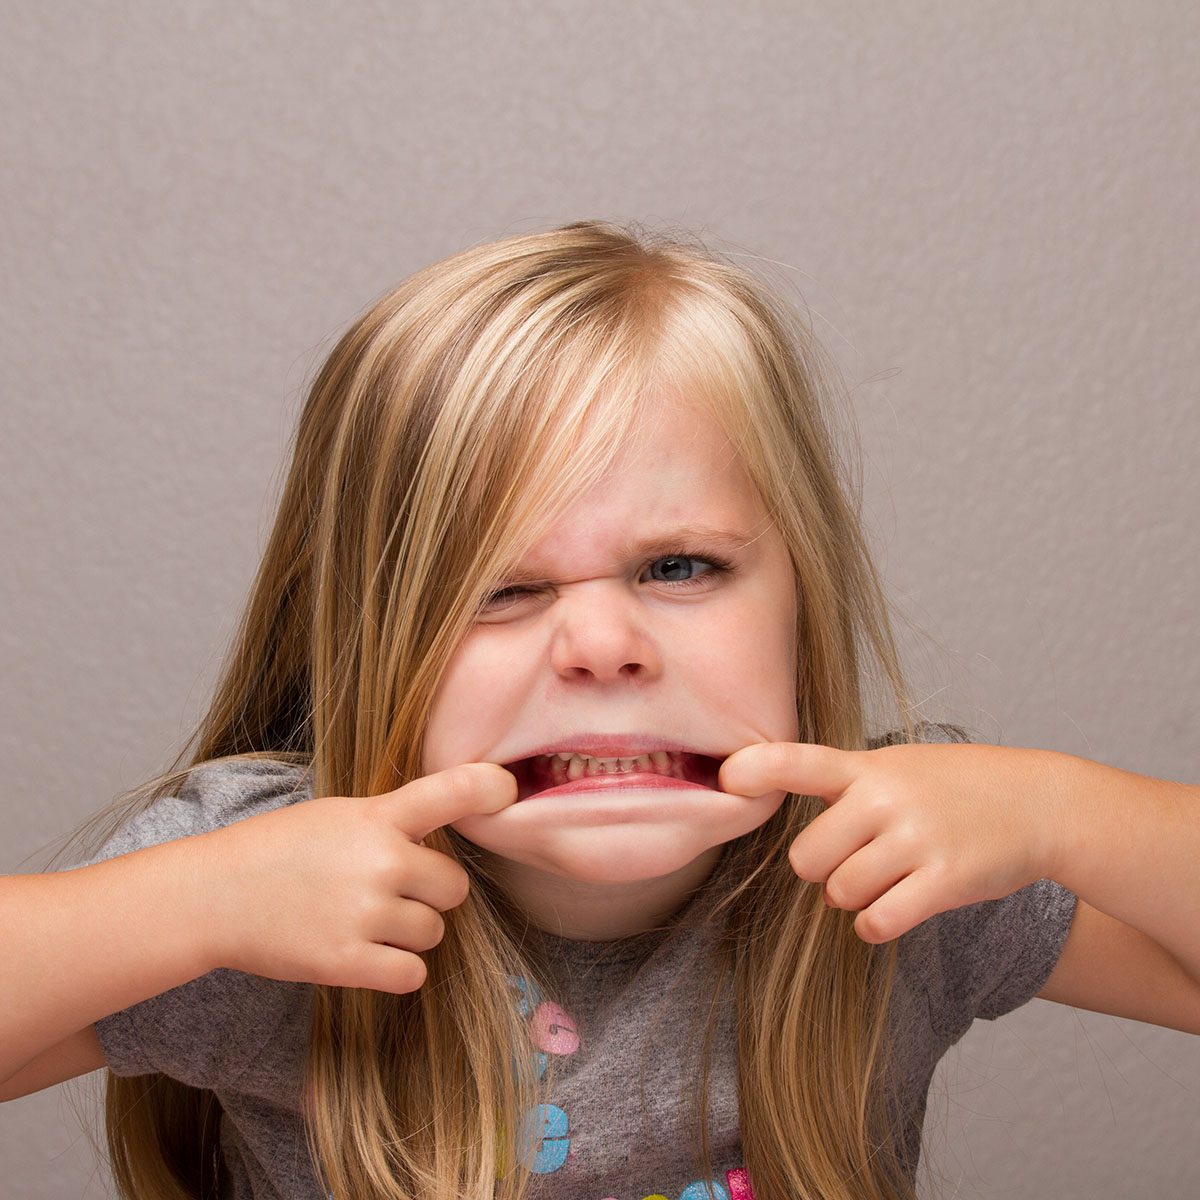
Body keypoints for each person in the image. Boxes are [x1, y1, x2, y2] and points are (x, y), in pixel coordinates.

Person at [2, 219, 1197, 1200]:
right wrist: (187, 906)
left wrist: (1063, 813)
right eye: (502, 590)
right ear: (371, 638)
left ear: (802, 603)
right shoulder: (274, 899)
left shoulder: (889, 877)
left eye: (679, 567)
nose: (605, 647)